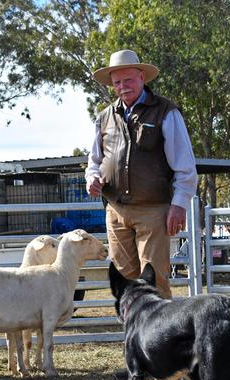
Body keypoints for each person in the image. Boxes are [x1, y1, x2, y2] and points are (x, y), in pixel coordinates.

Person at [85, 49, 198, 299]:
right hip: (116, 211)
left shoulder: (166, 112)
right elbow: (94, 162)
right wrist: (92, 179)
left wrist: (179, 205)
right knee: (125, 282)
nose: (123, 86)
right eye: (117, 82)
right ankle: (135, 337)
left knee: (154, 279)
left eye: (128, 80)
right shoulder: (104, 117)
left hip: (154, 210)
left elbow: (185, 165)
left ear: (142, 77)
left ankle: (163, 338)